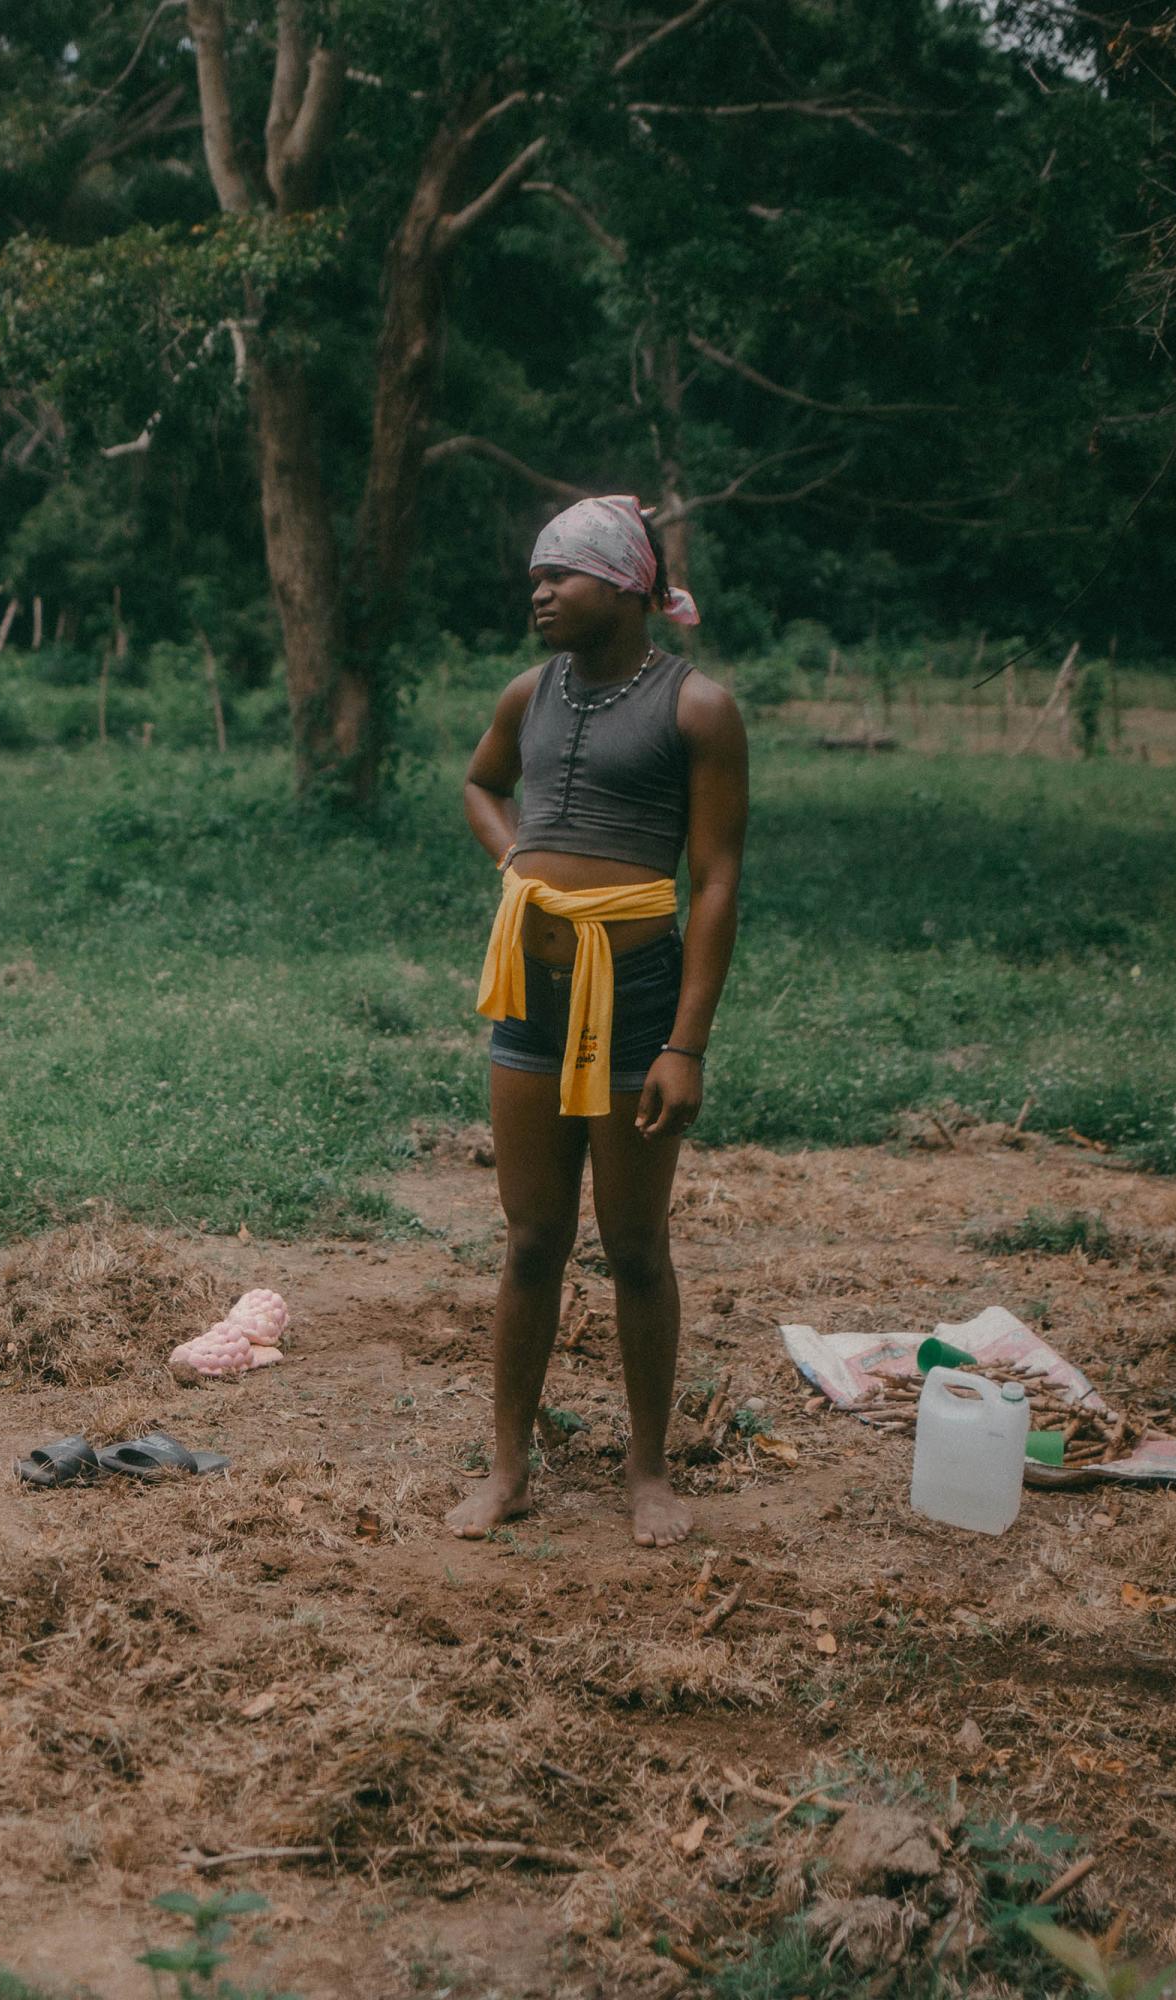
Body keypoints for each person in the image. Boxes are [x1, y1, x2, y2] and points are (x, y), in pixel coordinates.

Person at [447, 496, 749, 1549]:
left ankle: (650, 1470)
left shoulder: (697, 708)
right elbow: (482, 787)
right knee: (531, 1237)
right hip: (530, 996)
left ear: (625, 588)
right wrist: (517, 864)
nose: (538, 591)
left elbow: (713, 881)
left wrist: (686, 1042)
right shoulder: (527, 693)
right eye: (534, 574)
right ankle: (508, 1465)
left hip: (638, 1002)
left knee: (633, 1243)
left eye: (559, 575)